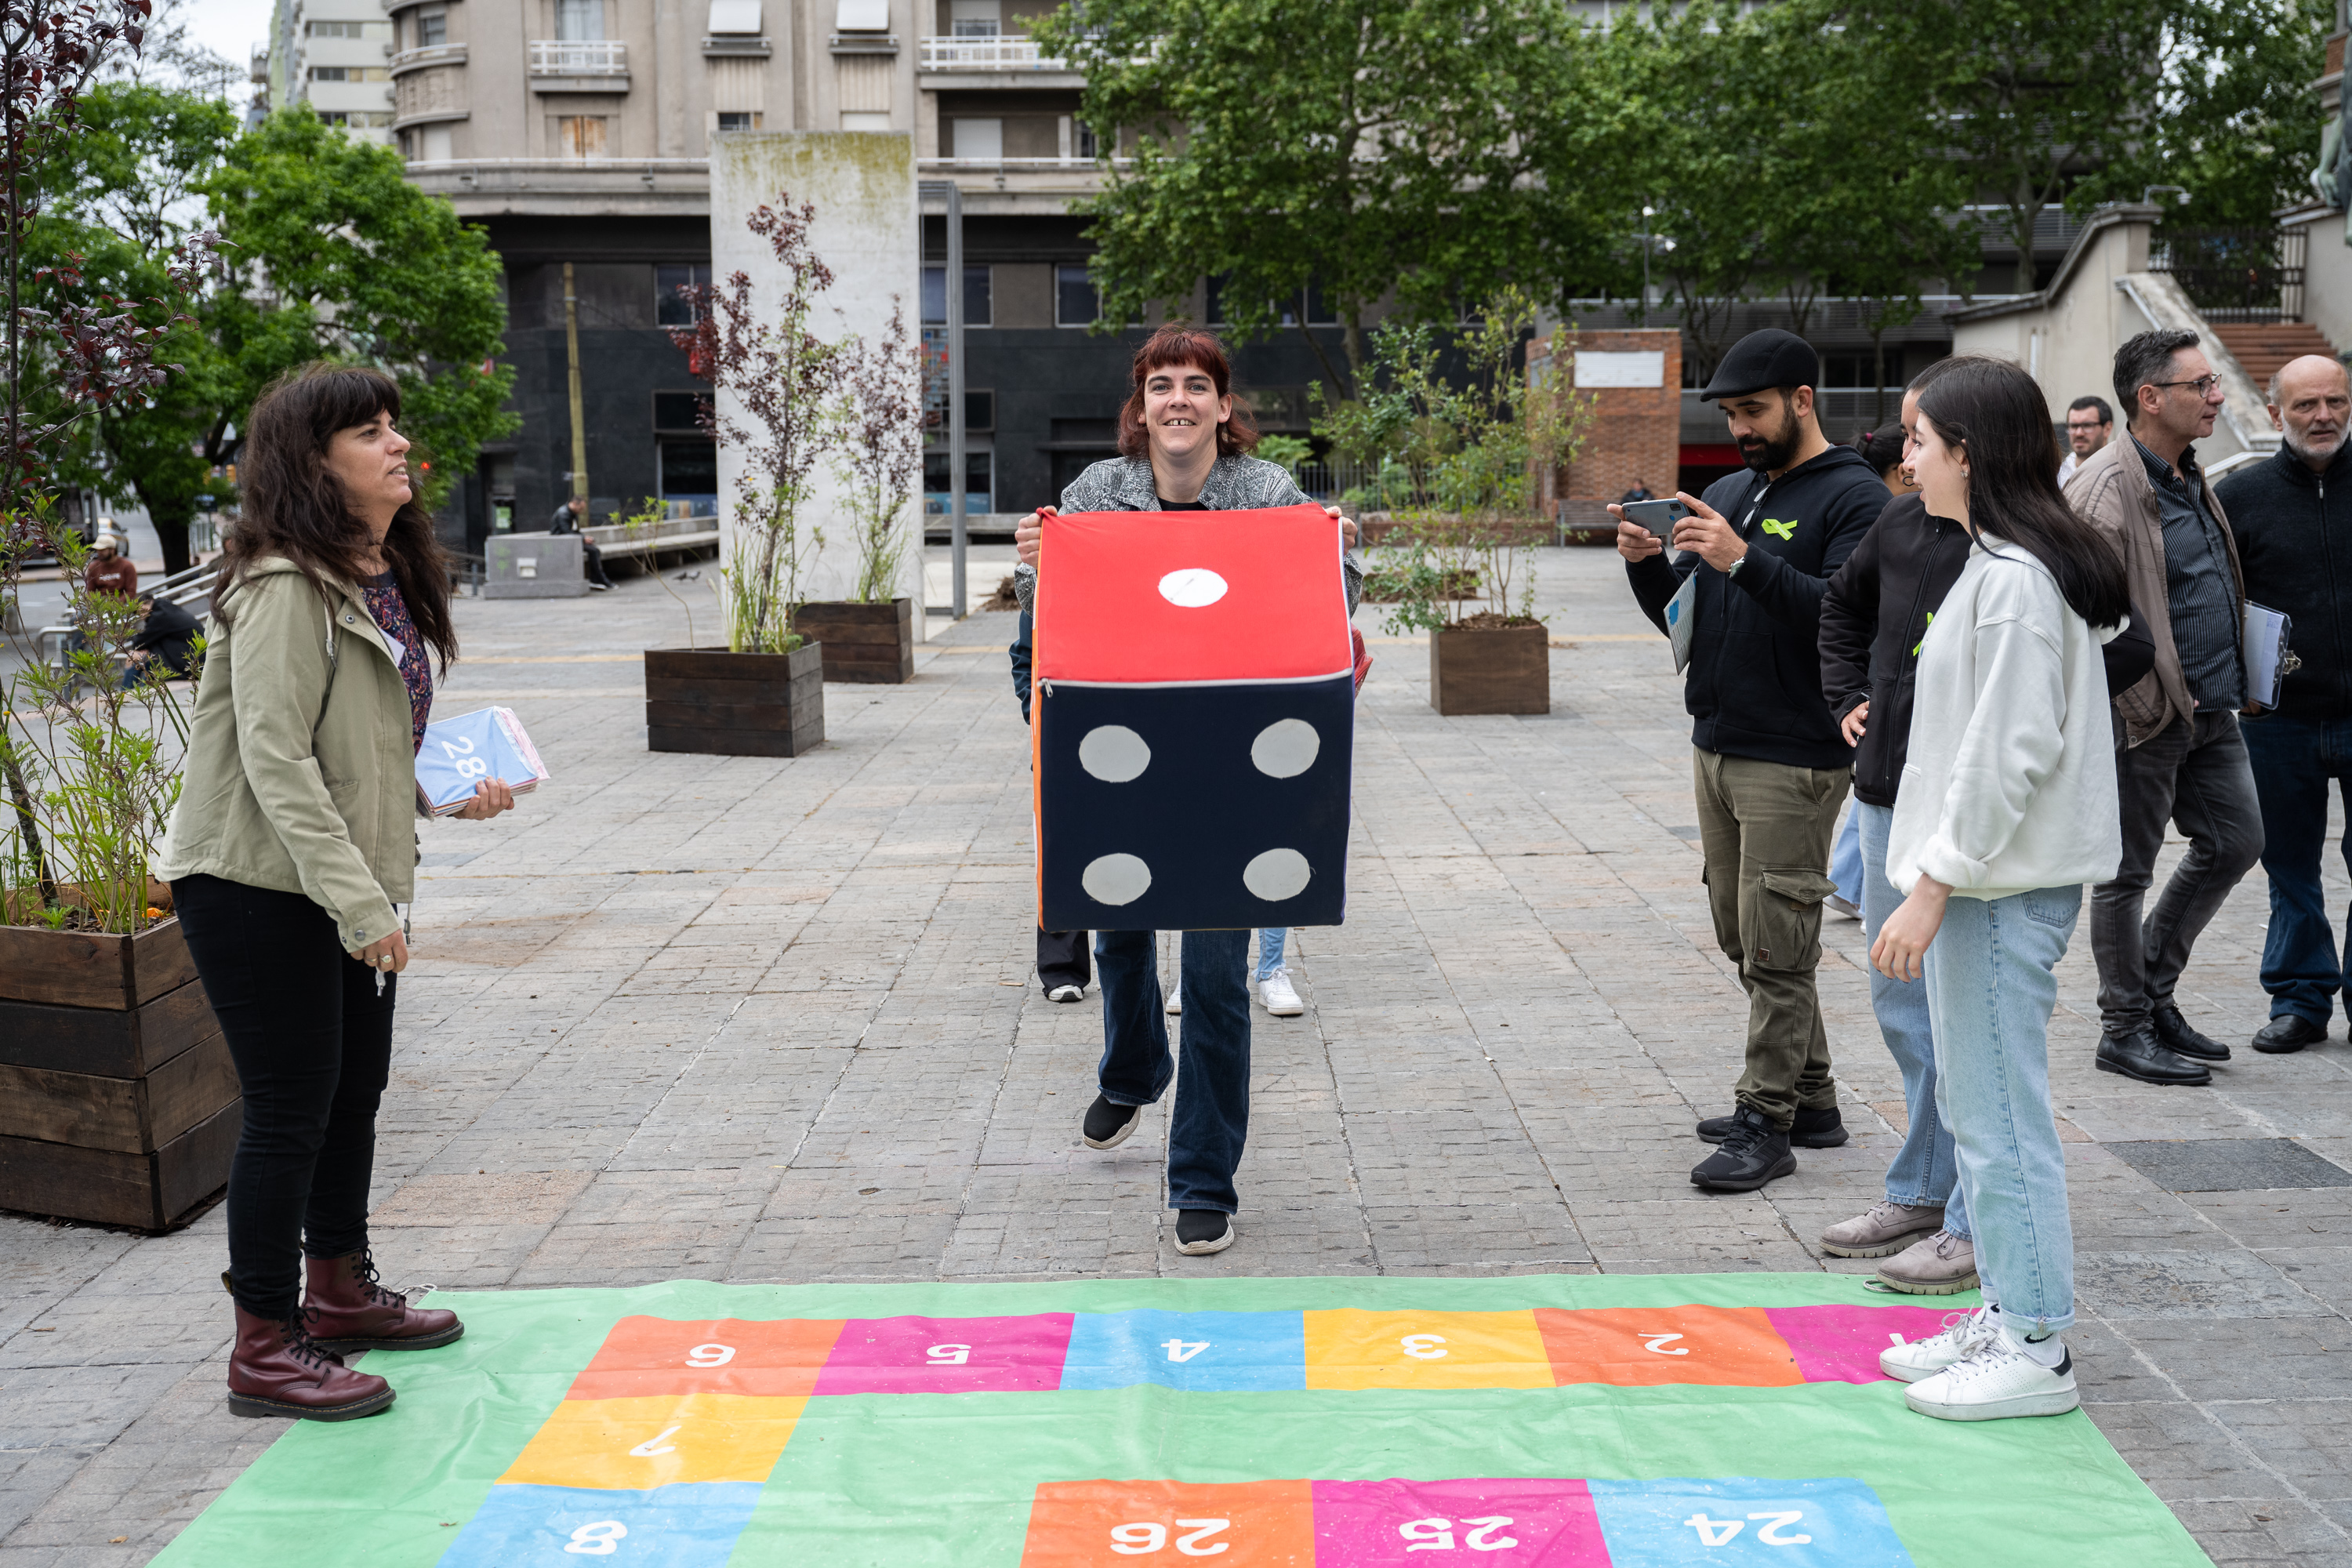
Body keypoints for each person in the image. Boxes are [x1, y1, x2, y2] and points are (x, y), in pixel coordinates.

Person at [158, 364, 516, 1421]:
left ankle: (340, 1288)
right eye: (370, 431)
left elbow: (355, 741)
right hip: (256, 883)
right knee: (289, 1107)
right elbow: (275, 761)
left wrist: (438, 790)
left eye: (395, 426)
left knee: (353, 1093)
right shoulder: (280, 587)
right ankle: (264, 1343)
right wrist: (361, 909)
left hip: (346, 876)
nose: (398, 445)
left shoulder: (377, 573)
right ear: (315, 461)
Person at [1011, 323, 1362, 1256]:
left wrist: (1335, 553)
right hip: (1117, 758)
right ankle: (1133, 1070)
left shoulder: (1267, 493)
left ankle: (1203, 1176)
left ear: (1222, 406)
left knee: (1213, 980)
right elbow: (1042, 626)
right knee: (1118, 933)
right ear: (1141, 405)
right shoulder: (1096, 493)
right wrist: (1034, 571)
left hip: (1228, 769)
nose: (1177, 399)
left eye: (1195, 385)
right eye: (1160, 384)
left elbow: (1334, 604)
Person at [1870, 356, 2132, 1421]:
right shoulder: (2000, 565)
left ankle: (2035, 1342)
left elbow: (2007, 754)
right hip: (1986, 883)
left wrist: (1935, 883)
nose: (1907, 456)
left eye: (1920, 439)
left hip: (1994, 889)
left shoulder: (2018, 581)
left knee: (2001, 1121)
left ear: (1969, 451)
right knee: (1984, 1116)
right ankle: (2009, 1310)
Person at [1613, 328, 1888, 1193]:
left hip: (1796, 754)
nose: (1740, 428)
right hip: (1718, 740)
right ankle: (1815, 1100)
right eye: (1730, 413)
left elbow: (1842, 616)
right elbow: (1687, 614)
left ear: (1803, 399)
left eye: (1754, 410)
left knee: (1776, 943)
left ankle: (1765, 1120)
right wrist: (1649, 567)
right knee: (1743, 933)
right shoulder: (1731, 489)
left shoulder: (1856, 499)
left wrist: (1743, 556)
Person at [2066, 329, 2261, 1087]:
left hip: (2212, 707)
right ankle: (2124, 1027)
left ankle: (2152, 993)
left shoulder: (2184, 472)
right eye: (2202, 386)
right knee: (2125, 873)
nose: (2219, 397)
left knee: (2237, 841)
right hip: (2145, 711)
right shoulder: (2100, 491)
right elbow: (2083, 618)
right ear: (2151, 399)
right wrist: (2134, 698)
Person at [2216, 354, 2352, 1054]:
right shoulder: (2240, 497)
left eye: (2334, 401)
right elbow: (2216, 603)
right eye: (2305, 406)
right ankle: (2299, 999)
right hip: (2279, 719)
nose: (2322, 416)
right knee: (2289, 866)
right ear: (2275, 415)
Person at [1824, 424, 1920, 920]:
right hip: (1887, 697)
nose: (1910, 462)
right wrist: (1846, 694)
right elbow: (1837, 604)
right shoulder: (1892, 519)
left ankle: (1845, 878)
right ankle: (1847, 879)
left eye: (1920, 442)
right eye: (1907, 442)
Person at [1011, 608, 1092, 1004]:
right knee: (1061, 848)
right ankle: (1062, 969)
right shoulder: (1044, 580)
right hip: (1060, 731)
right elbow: (1025, 656)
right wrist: (1038, 712)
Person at [122, 592, 202, 685]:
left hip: (190, 663)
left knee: (135, 657)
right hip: (191, 658)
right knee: (144, 657)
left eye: (139, 611)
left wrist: (144, 649)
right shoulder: (165, 608)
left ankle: (125, 693)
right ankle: (138, 691)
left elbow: (140, 641)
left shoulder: (160, 615)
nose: (141, 616)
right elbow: (146, 639)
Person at [549, 495, 615, 590]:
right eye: (580, 508)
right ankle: (600, 579)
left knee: (594, 550)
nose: (581, 511)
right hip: (562, 543)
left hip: (570, 541)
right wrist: (583, 539)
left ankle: (596, 579)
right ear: (575, 504)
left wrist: (584, 538)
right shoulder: (564, 514)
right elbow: (566, 532)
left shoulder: (570, 513)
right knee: (594, 551)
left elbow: (573, 531)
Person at [2056, 396, 2113, 487]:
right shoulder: (2060, 474)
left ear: (2107, 429)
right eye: (2073, 426)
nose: (2079, 433)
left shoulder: (2121, 472)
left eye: (2087, 425)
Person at [83, 526, 137, 600]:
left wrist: (116, 605)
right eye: (98, 550)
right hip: (100, 604)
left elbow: (131, 592)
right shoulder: (93, 567)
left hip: (121, 604)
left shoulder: (127, 566)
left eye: (102, 550)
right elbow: (90, 591)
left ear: (112, 550)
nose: (99, 553)